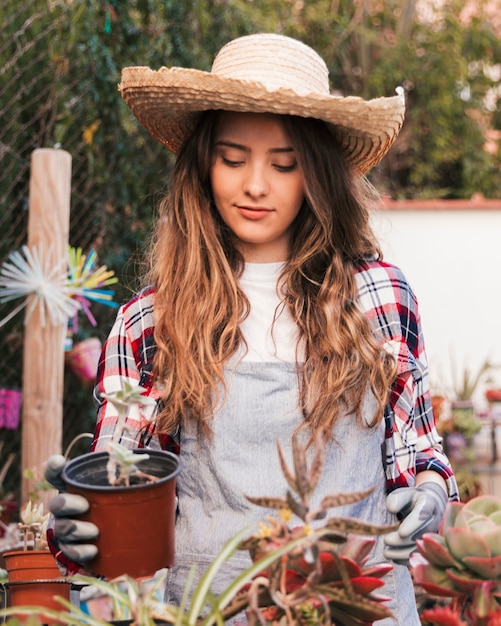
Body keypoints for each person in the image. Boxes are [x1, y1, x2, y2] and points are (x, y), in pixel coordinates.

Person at [46, 33, 458, 624]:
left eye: (284, 164)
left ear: (317, 174)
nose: (256, 185)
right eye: (233, 159)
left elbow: (416, 450)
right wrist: (82, 524)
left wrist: (430, 494)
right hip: (211, 609)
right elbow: (122, 482)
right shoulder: (152, 321)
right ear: (204, 165)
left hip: (360, 609)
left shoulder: (379, 296)